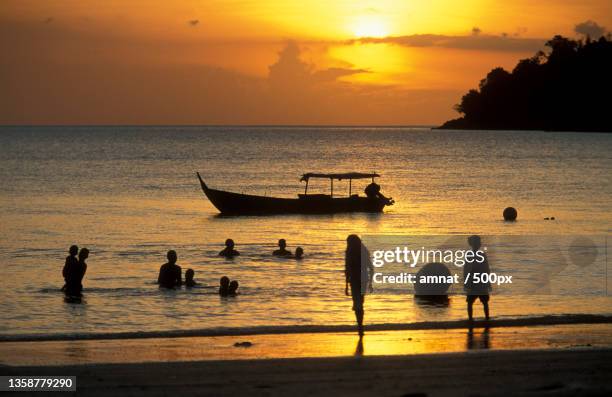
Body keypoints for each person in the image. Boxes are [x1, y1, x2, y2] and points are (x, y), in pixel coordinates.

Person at [345, 234, 374, 336]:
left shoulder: (349, 252)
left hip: (355, 280)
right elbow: (371, 267)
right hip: (363, 280)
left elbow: (347, 269)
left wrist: (346, 285)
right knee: (360, 303)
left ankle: (360, 326)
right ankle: (360, 326)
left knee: (358, 303)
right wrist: (370, 283)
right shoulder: (364, 251)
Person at [463, 235, 491, 321]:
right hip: (480, 281)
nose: (479, 244)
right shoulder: (481, 255)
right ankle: (486, 319)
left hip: (474, 282)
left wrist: (466, 281)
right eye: (479, 242)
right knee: (484, 302)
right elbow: (487, 269)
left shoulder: (470, 255)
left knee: (471, 302)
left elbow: (466, 270)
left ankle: (471, 320)